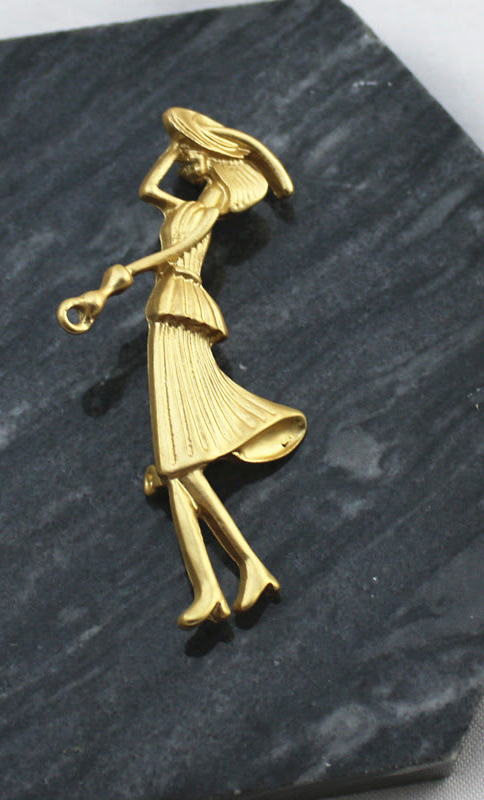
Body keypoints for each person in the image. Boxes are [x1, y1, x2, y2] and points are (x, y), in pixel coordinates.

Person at [58, 108, 306, 629]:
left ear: (215, 161)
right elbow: (149, 188)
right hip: (165, 307)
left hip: (182, 306)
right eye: (183, 155)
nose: (185, 162)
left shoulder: (210, 207)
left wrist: (116, 280)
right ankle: (226, 580)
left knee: (176, 461)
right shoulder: (183, 203)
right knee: (177, 467)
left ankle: (234, 576)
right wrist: (176, 140)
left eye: (194, 155)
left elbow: (176, 250)